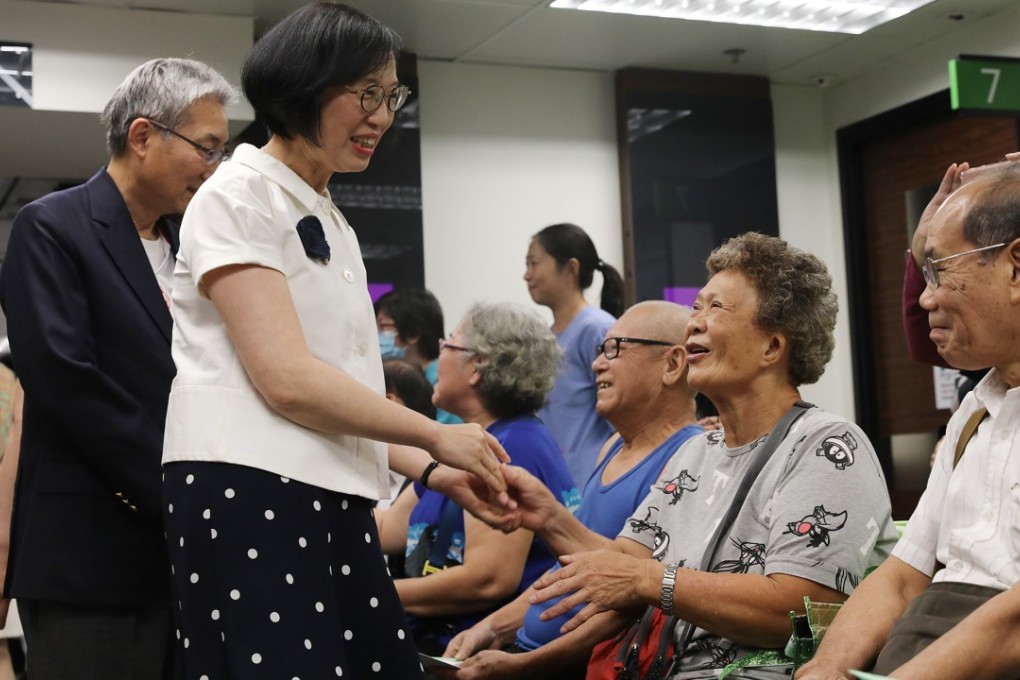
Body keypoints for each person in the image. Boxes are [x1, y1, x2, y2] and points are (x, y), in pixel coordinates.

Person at [160, 5, 510, 679]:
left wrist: (438, 474)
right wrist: (437, 438)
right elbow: (287, 380)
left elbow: (342, 396)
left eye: (392, 96)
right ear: (303, 87)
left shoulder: (329, 217)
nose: (381, 116)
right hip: (248, 483)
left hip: (326, 487)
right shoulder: (237, 194)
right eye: (366, 94)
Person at [495, 232, 897, 678]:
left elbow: (800, 612)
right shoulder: (695, 451)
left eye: (716, 308)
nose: (694, 324)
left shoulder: (826, 446)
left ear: (772, 347)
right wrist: (548, 516)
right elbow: (624, 563)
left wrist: (649, 581)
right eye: (696, 308)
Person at [0, 57, 234, 680]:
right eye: (206, 148)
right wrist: (180, 487)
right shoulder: (53, 227)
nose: (215, 168)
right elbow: (65, 379)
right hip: (93, 552)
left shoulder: (195, 245)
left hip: (188, 556)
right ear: (142, 136)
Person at [796, 163, 1020, 680]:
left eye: (940, 270)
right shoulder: (974, 411)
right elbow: (902, 575)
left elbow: (1010, 624)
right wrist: (826, 666)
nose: (923, 298)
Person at [441, 301, 704, 680]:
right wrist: (491, 628)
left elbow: (635, 603)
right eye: (600, 351)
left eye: (615, 350)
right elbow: (565, 576)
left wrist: (526, 666)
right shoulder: (613, 445)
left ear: (673, 365)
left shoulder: (686, 457)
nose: (598, 364)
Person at [376, 302, 579, 654]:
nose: (439, 355)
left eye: (449, 344)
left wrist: (376, 593)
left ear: (478, 366)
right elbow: (385, 530)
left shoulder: (514, 446)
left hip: (479, 657)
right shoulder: (468, 445)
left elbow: (488, 579)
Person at [525, 223, 625, 486]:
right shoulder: (548, 336)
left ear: (571, 268)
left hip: (589, 481)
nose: (527, 275)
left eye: (534, 263)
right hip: (558, 482)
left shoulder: (596, 328)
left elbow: (624, 415)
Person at [376, 287, 461, 423]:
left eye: (383, 327)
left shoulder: (442, 380)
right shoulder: (420, 375)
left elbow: (446, 434)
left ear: (413, 333)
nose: (377, 335)